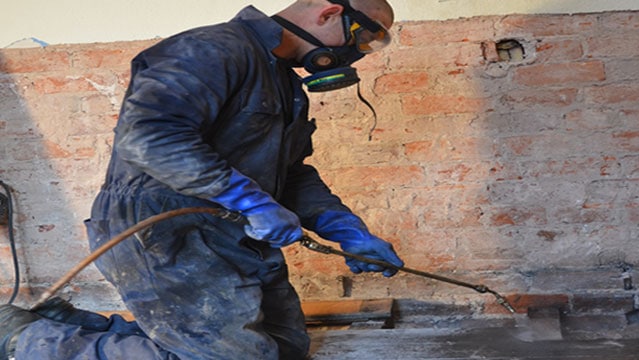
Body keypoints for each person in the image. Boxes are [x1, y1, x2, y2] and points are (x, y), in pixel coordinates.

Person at [0, 0, 404, 358]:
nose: (356, 56)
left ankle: (71, 324)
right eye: (363, 40)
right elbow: (149, 137)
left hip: (229, 232)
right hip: (164, 230)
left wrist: (346, 228)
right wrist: (252, 202)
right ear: (330, 13)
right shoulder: (213, 49)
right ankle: (29, 339)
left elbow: (292, 173)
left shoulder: (282, 81)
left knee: (286, 348)